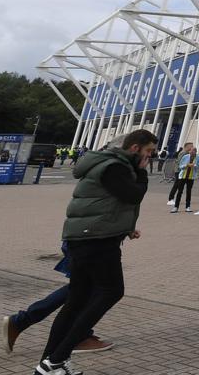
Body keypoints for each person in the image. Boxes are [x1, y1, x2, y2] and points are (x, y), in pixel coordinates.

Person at [32, 129, 155, 375]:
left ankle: (49, 363)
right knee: (111, 292)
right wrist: (142, 171)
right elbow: (133, 195)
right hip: (97, 240)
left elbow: (109, 202)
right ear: (135, 148)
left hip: (85, 237)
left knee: (76, 300)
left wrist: (127, 228)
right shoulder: (114, 166)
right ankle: (56, 359)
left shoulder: (105, 162)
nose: (150, 156)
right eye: (149, 151)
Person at [3, 243, 112, 355]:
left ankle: (23, 320)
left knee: (84, 287)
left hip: (84, 239)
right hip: (86, 240)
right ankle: (78, 338)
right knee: (87, 286)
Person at [170, 143, 199, 213]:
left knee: (189, 191)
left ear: (196, 152)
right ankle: (176, 207)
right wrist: (186, 165)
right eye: (191, 151)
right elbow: (180, 166)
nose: (192, 152)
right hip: (183, 176)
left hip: (191, 176)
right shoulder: (185, 156)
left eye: (194, 151)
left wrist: (194, 165)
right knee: (179, 191)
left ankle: (188, 206)